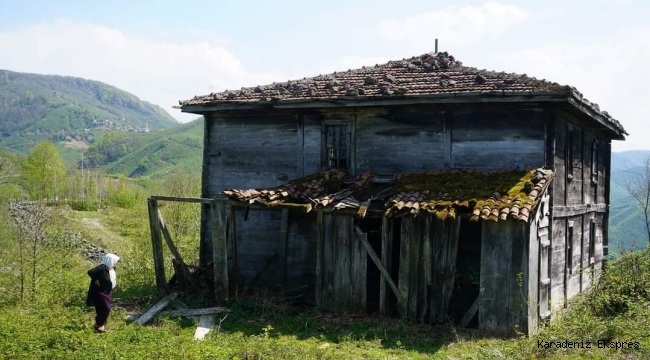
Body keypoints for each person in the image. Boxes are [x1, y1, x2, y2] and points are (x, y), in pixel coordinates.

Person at [86, 253, 120, 333]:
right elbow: (90, 272)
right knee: (106, 308)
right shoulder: (102, 267)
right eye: (114, 261)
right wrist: (95, 279)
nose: (115, 263)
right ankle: (99, 324)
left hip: (108, 291)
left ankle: (100, 326)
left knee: (101, 309)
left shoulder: (111, 269)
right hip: (100, 292)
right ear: (110, 260)